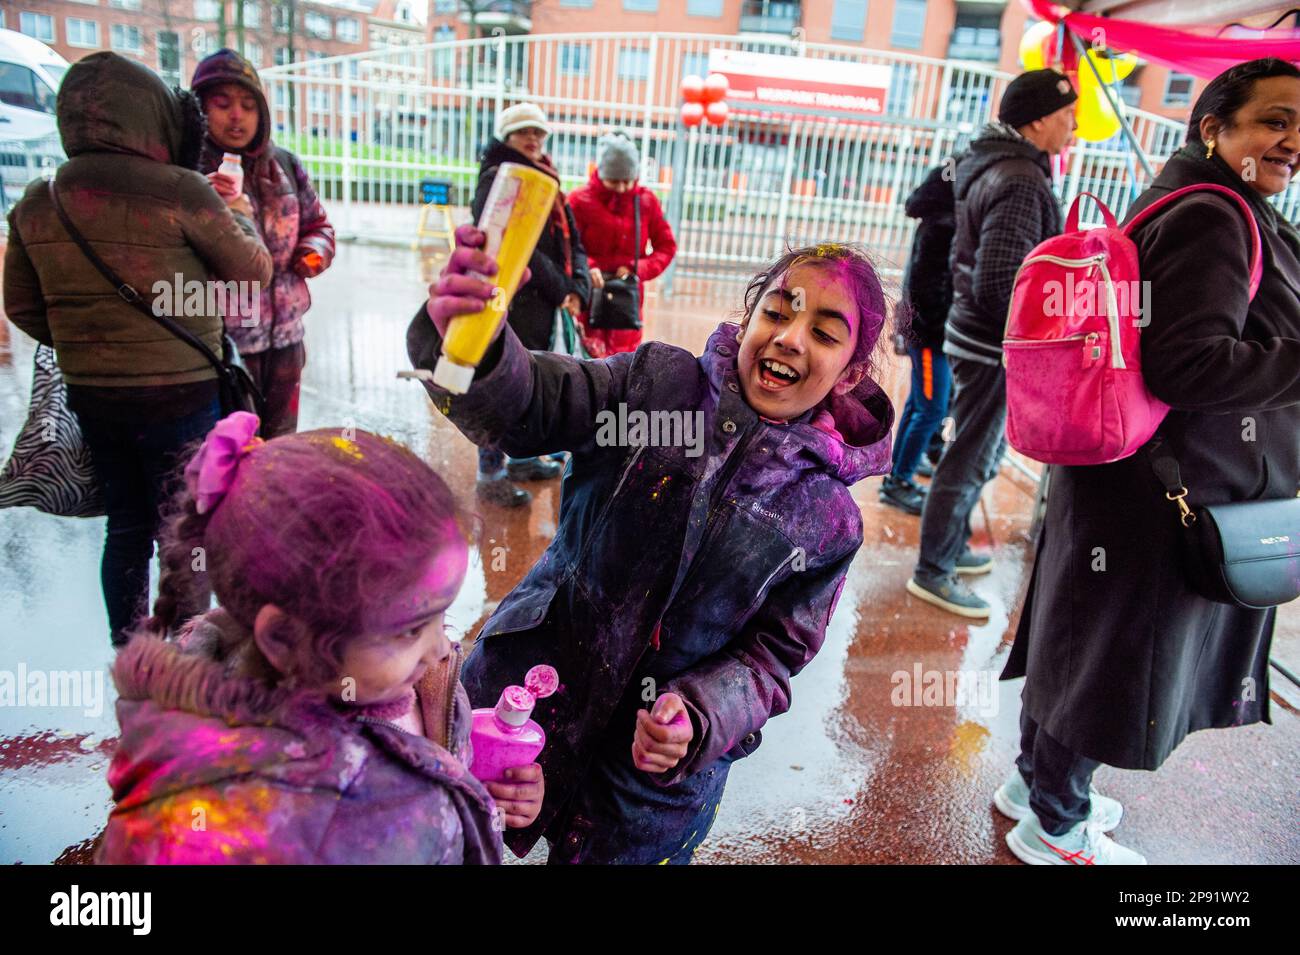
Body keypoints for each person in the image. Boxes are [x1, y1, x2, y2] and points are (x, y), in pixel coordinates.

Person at [409, 232, 894, 864]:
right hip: (524, 701)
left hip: (648, 790)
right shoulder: (652, 389)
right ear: (749, 317)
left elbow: (773, 658)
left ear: (851, 371)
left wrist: (700, 716)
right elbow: (531, 403)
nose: (790, 337)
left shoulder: (828, 520)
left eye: (825, 334)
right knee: (458, 837)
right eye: (777, 310)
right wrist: (467, 344)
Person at [999, 58, 1300, 866]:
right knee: (1113, 665)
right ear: (1215, 127)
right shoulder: (1215, 214)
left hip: (1124, 471)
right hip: (1167, 489)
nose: (1292, 141)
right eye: (1275, 120)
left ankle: (1036, 786)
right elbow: (1191, 364)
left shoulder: (1184, 193)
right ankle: (1055, 826)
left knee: (1080, 643)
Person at [97, 413, 545, 863]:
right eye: (411, 629)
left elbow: (437, 769)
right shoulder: (260, 819)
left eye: (441, 617)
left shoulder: (398, 679)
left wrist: (478, 796)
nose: (443, 648)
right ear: (283, 637)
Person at [2, 52, 273, 647]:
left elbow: (22, 308)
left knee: (125, 526)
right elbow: (252, 271)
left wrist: (91, 343)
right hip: (182, 394)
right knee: (187, 528)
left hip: (95, 397)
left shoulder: (39, 198)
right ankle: (186, 648)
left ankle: (128, 650)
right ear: (154, 118)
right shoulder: (183, 191)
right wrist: (239, 212)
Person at [906, 69, 1078, 618]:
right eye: (1068, 115)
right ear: (1038, 119)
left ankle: (951, 547)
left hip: (974, 337)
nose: (1074, 127)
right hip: (991, 345)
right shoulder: (1020, 179)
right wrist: (1045, 342)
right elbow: (1001, 281)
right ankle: (934, 570)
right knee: (970, 455)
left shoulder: (994, 164)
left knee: (976, 450)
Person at [192, 48, 335, 439]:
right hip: (225, 346)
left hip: (287, 337)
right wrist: (205, 205)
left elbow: (318, 225)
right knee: (232, 450)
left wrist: (313, 254)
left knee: (282, 443)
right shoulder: (188, 172)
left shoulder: (284, 165)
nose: (237, 116)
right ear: (200, 110)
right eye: (222, 104)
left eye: (248, 105)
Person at [471, 102, 592, 507]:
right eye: (524, 132)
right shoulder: (499, 179)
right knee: (498, 386)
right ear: (506, 138)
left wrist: (578, 287)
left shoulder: (548, 179)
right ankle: (490, 474)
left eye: (539, 133)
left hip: (544, 303)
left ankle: (520, 460)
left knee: (529, 385)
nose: (534, 140)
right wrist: (562, 289)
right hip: (513, 302)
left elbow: (571, 240)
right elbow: (517, 246)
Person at [879, 160, 958, 516]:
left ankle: (900, 467)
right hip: (931, 336)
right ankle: (897, 482)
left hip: (929, 332)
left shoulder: (938, 222)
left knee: (920, 404)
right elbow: (929, 289)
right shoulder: (943, 226)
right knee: (931, 408)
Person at [568, 130, 677, 357]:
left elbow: (666, 246)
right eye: (613, 181)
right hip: (588, 294)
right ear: (600, 173)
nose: (621, 188)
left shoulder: (646, 201)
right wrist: (586, 266)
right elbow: (566, 246)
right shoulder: (579, 201)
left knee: (622, 364)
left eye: (627, 181)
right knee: (583, 359)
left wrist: (637, 268)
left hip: (626, 300)